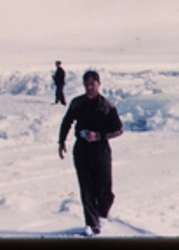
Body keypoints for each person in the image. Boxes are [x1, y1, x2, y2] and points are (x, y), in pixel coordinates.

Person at [58, 70, 123, 236]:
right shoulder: (77, 103)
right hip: (82, 151)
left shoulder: (106, 106)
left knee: (104, 191)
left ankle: (101, 215)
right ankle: (92, 224)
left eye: (92, 84)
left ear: (99, 84)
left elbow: (118, 129)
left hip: (100, 151)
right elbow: (67, 122)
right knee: (86, 190)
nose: (89, 87)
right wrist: (61, 141)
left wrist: (98, 135)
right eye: (86, 84)